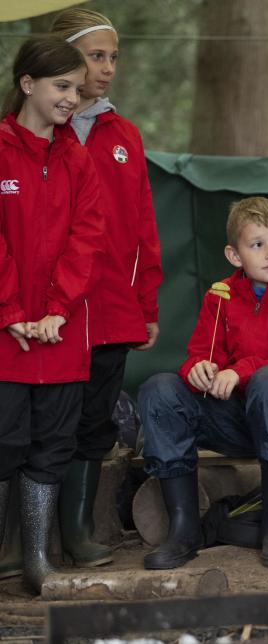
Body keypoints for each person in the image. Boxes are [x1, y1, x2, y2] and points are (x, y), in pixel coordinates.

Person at [0, 8, 162, 579]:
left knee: (86, 425)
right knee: (16, 429)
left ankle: (71, 535)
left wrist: (146, 302)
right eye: (96, 57)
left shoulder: (115, 139)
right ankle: (14, 548)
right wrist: (20, 309)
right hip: (31, 317)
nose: (106, 69)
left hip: (99, 309)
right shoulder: (27, 140)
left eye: (113, 57)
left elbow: (131, 227)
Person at [137, 197, 268, 570]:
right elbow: (198, 354)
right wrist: (198, 369)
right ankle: (184, 530)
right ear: (234, 255)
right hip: (237, 421)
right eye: (257, 244)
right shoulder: (219, 295)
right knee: (158, 388)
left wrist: (242, 371)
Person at [0, 37, 104, 593]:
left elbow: (87, 238)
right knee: (5, 439)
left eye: (76, 88)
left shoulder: (78, 158)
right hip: (5, 334)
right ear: (27, 84)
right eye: (62, 86)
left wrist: (58, 309)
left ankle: (38, 560)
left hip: (61, 333)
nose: (72, 98)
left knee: (53, 444)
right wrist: (13, 311)